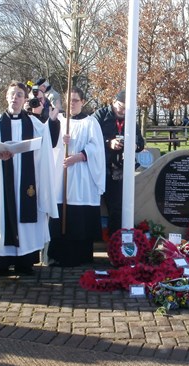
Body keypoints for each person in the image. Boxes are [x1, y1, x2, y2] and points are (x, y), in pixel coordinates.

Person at [0, 81, 60, 278]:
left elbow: (47, 146)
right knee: (1, 215)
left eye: (19, 94)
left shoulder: (35, 124)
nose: (15, 98)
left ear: (25, 99)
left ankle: (24, 263)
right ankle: (0, 263)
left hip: (27, 181)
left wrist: (52, 122)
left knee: (24, 216)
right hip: (1, 179)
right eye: (12, 94)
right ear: (6, 97)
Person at [47, 87, 106, 267]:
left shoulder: (91, 123)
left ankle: (80, 256)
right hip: (61, 175)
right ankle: (58, 256)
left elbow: (97, 148)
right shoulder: (59, 120)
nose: (72, 104)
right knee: (61, 213)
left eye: (75, 100)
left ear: (82, 102)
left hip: (81, 176)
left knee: (79, 216)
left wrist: (78, 156)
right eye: (69, 100)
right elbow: (47, 143)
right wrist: (59, 139)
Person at [93, 90, 145, 237]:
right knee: (92, 206)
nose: (123, 111)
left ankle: (114, 243)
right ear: (113, 102)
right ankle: (93, 241)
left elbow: (140, 142)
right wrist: (109, 142)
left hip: (119, 171)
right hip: (99, 167)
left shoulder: (130, 120)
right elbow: (90, 137)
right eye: (121, 106)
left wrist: (135, 145)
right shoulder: (100, 115)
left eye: (126, 108)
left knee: (117, 208)